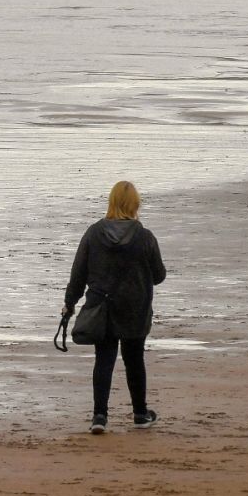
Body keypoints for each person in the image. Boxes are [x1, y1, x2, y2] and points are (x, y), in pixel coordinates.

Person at [64, 180, 167, 434]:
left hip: (102, 307)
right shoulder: (145, 237)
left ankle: (99, 416)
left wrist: (69, 304)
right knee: (134, 360)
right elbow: (159, 275)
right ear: (135, 205)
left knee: (104, 360)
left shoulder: (93, 233)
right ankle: (140, 414)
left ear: (111, 202)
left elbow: (78, 273)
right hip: (135, 307)